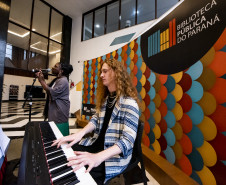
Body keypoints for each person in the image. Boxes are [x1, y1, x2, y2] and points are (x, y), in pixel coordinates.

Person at [52, 58, 140, 184]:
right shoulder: (107, 100)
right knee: (65, 150)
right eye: (101, 71)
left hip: (112, 155)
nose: (101, 75)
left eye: (105, 71)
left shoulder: (129, 103)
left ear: (115, 73)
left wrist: (98, 157)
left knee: (79, 173)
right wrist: (80, 134)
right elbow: (95, 119)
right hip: (96, 144)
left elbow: (127, 141)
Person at [36, 62, 73, 136]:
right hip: (54, 112)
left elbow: (50, 91)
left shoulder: (63, 81)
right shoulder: (57, 79)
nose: (53, 67)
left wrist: (41, 80)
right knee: (53, 136)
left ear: (61, 71)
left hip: (59, 114)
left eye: (56, 66)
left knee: (59, 137)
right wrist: (42, 77)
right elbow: (47, 87)